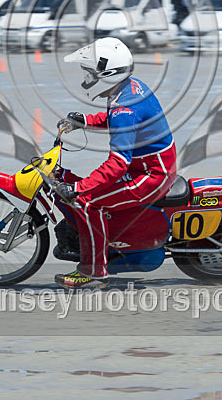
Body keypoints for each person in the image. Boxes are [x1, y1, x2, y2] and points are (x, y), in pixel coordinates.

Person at [51, 37, 176, 289]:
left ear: (107, 74)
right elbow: (115, 119)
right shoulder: (127, 88)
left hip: (152, 175)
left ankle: (94, 272)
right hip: (145, 167)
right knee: (88, 191)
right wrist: (84, 121)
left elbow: (118, 163)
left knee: (87, 203)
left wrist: (78, 189)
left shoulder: (124, 107)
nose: (86, 77)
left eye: (90, 72)